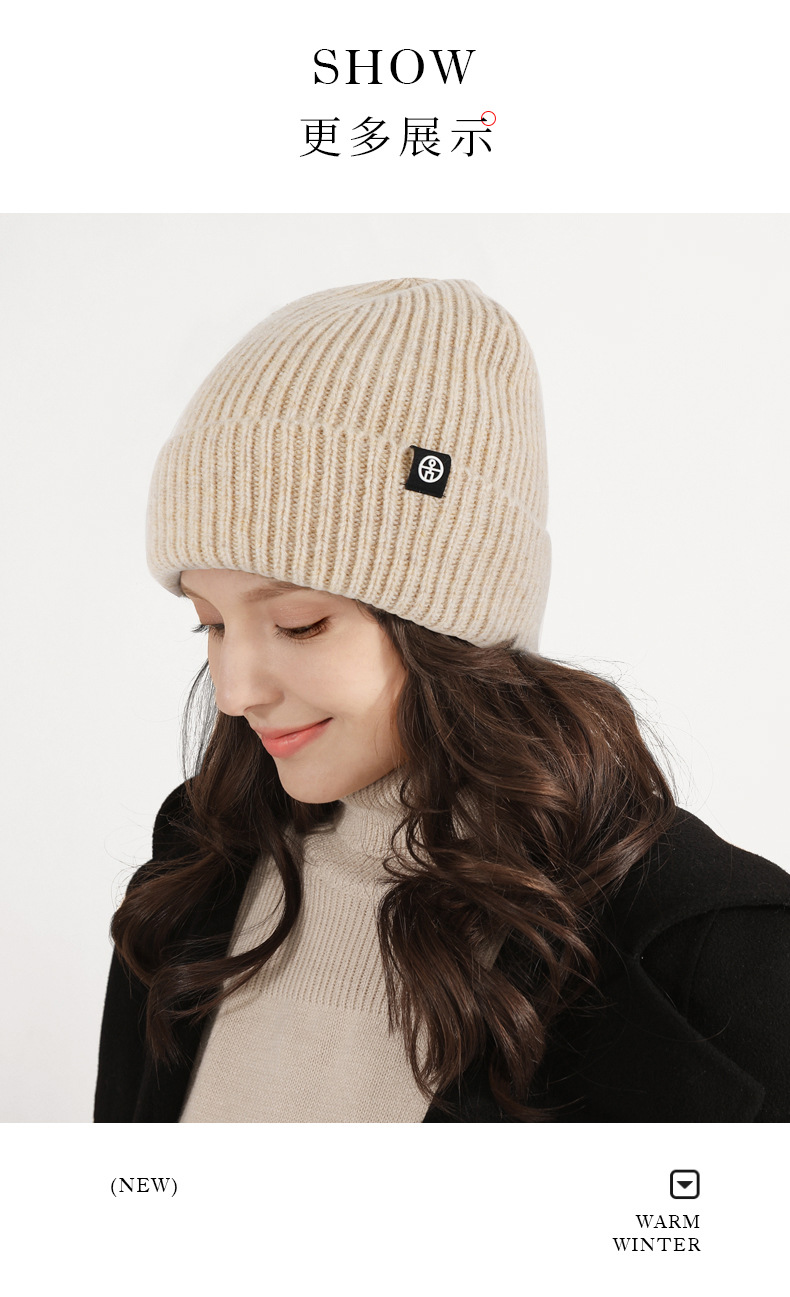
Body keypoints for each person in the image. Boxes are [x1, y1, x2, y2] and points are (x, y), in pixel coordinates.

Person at [94, 277, 790, 1123]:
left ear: (448, 620)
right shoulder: (192, 872)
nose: (236, 691)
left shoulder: (709, 953)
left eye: (301, 623)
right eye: (209, 623)